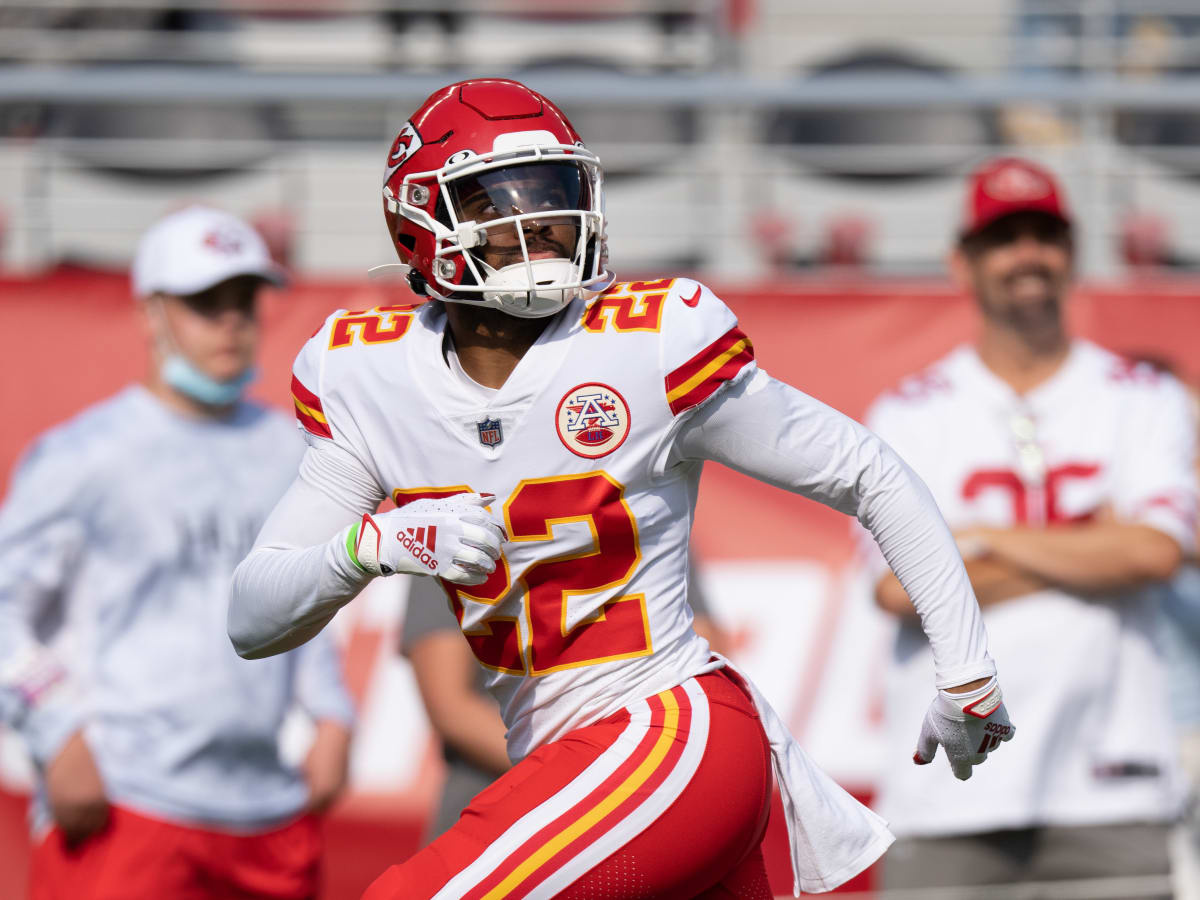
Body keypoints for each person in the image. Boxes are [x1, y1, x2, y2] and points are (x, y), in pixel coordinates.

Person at [228, 78, 1014, 899]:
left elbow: (868, 472)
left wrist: (967, 674)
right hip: (562, 756)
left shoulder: (650, 342)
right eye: (499, 202)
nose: (537, 225)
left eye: (554, 195)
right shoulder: (366, 374)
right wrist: (370, 547)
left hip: (670, 727)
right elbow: (253, 616)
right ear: (421, 222)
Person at [0, 206, 355, 900]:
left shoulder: (294, 450)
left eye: (244, 300)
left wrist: (334, 715)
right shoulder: (84, 455)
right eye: (204, 303)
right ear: (150, 314)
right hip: (126, 809)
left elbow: (302, 598)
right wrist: (55, 732)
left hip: (270, 815)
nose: (230, 322)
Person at [864, 157, 1198, 896]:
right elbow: (897, 591)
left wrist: (978, 539)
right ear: (963, 262)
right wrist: (1090, 539)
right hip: (950, 787)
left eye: (1044, 234)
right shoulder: (910, 411)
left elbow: (1155, 552)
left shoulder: (1141, 396)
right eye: (1003, 238)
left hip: (1114, 784)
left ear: (1072, 251)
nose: (1027, 256)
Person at [401, 554, 730, 843]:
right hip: (503, 809)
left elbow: (702, 668)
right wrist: (592, 776)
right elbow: (451, 706)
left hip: (637, 803)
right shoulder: (456, 524)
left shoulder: (644, 502)